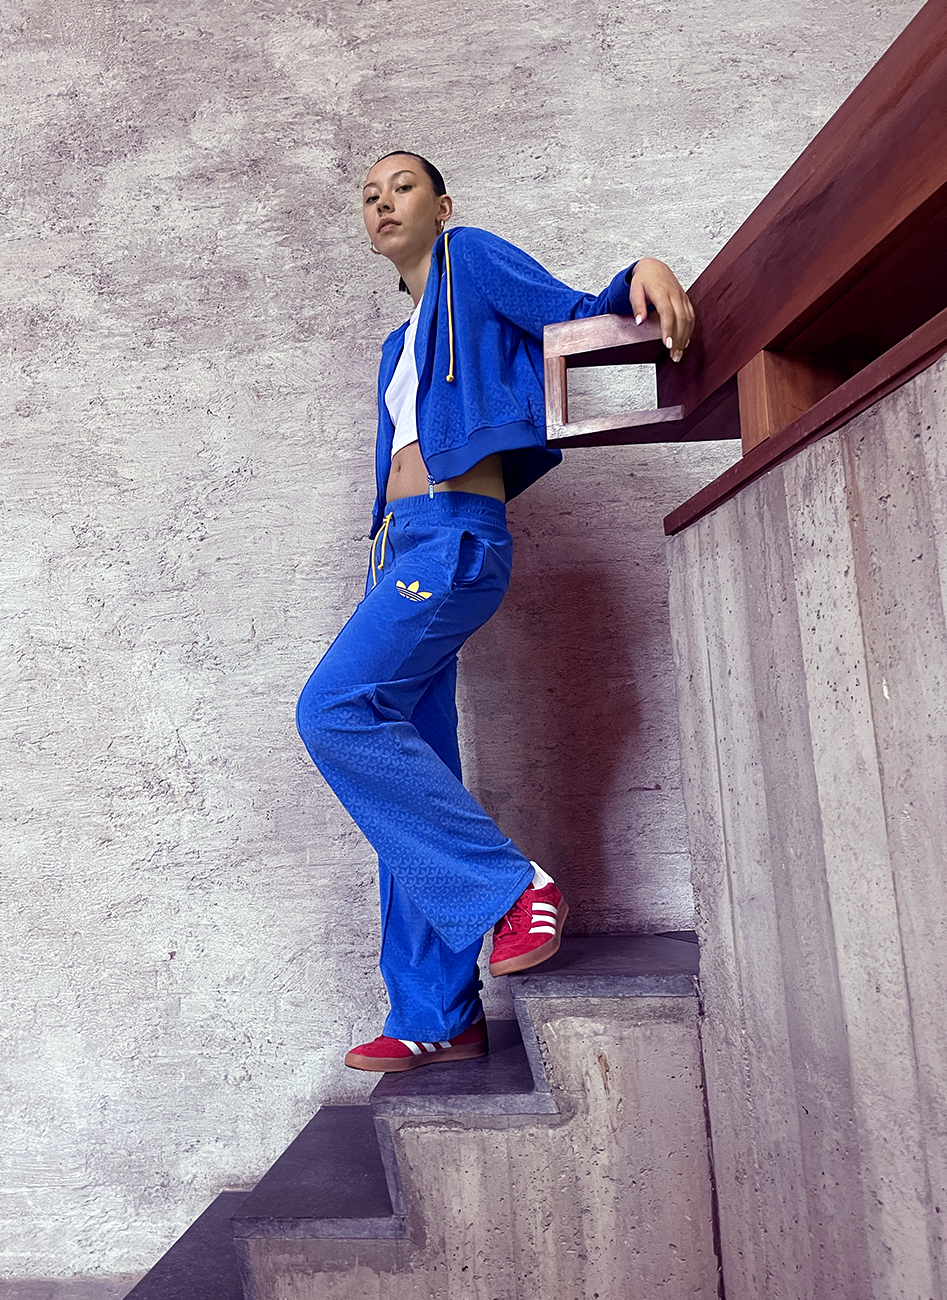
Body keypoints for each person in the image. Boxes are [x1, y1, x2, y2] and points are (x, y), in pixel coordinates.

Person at [296, 152, 694, 1073]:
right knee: (411, 777)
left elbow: (565, 312)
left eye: (401, 186)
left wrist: (642, 270)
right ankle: (438, 1012)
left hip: (452, 539)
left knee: (334, 712)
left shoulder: (468, 260)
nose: (383, 201)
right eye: (369, 194)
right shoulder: (400, 346)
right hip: (397, 552)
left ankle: (514, 888)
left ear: (442, 204)